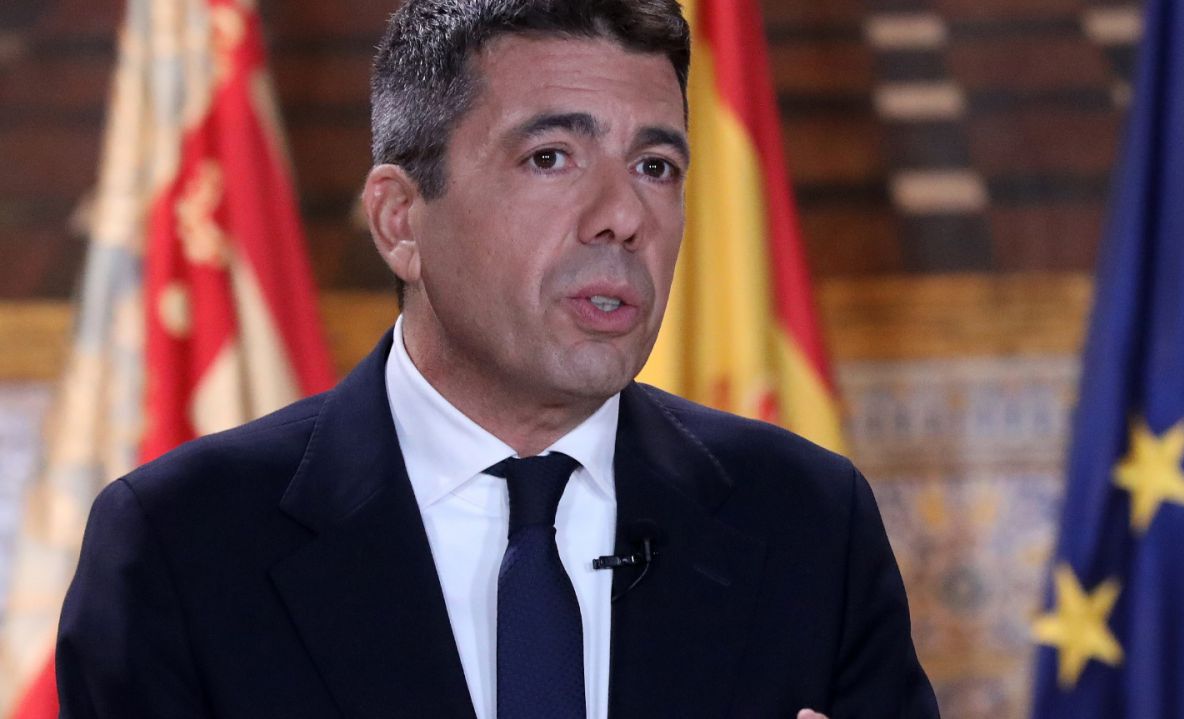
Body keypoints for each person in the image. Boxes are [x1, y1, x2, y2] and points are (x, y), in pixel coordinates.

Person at [55, 1, 939, 717]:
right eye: (551, 157)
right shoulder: (180, 545)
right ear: (400, 220)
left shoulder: (809, 522)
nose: (622, 216)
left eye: (656, 166)